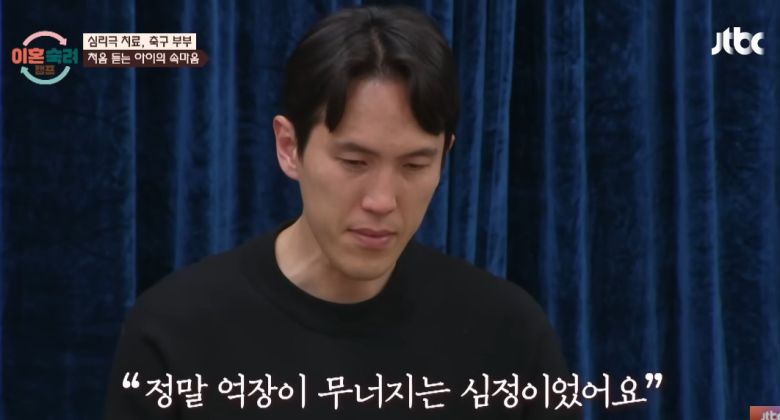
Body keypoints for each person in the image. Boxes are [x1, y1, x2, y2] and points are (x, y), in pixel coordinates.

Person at [103, 5, 581, 420]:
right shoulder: (175, 332)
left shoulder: (509, 336)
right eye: (354, 162)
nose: (382, 200)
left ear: (444, 156)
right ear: (289, 147)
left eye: (415, 165)